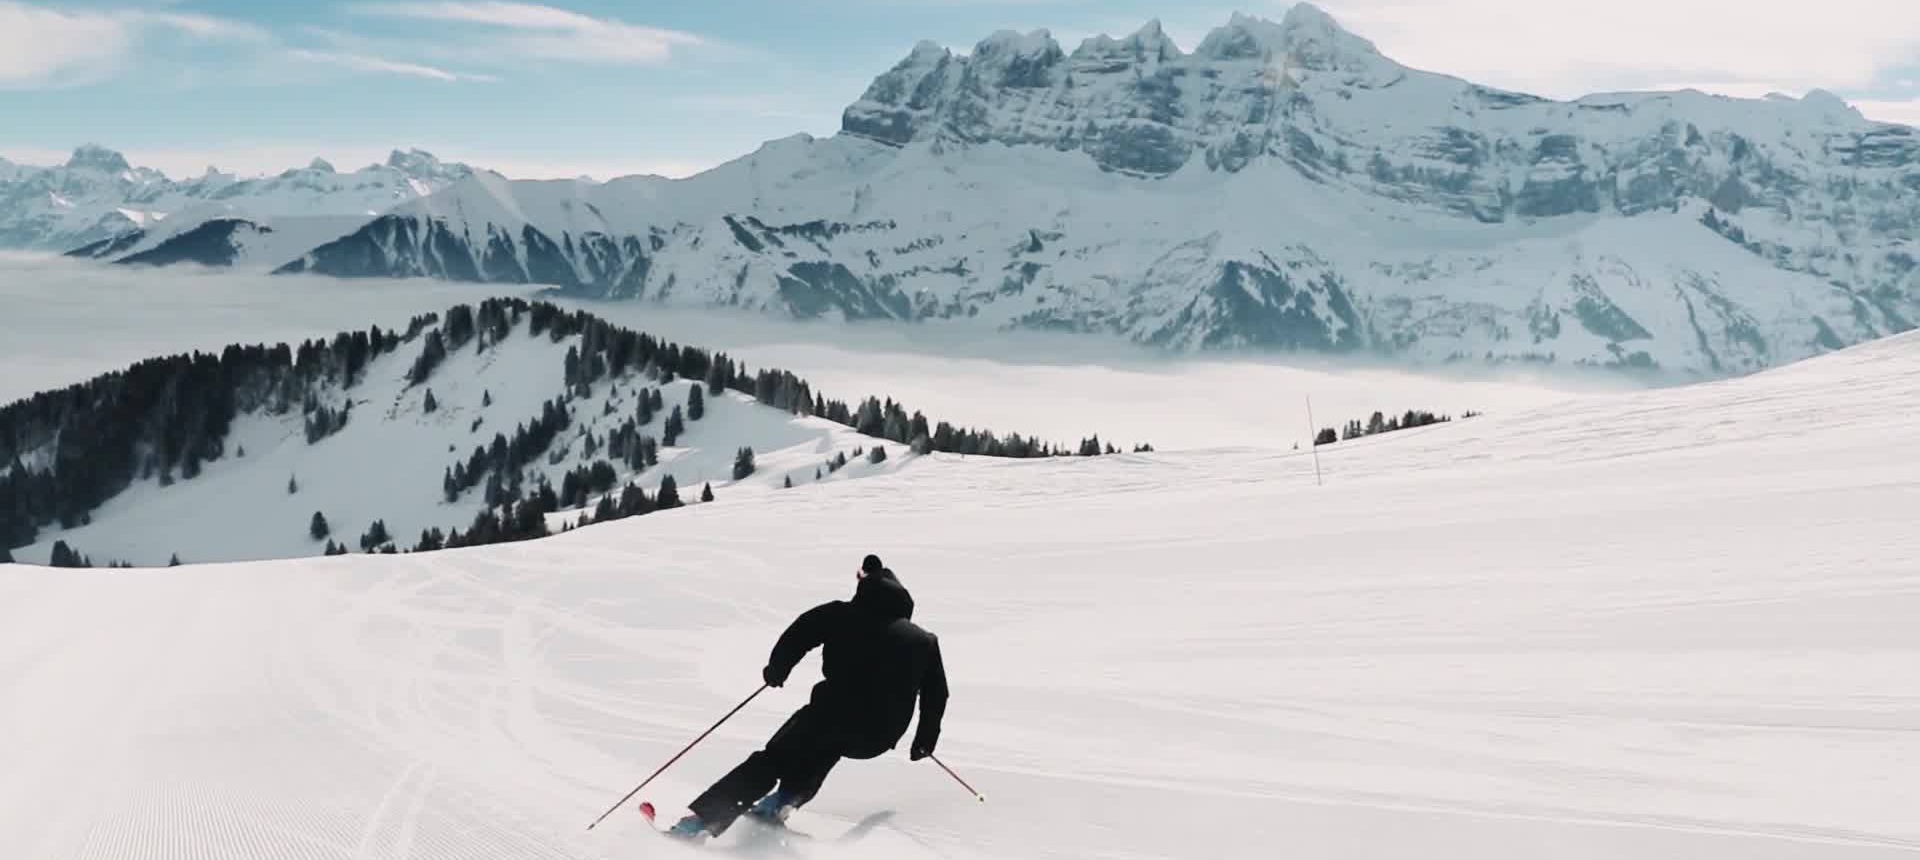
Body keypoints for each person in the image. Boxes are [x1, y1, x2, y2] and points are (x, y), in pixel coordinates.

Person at [667, 554, 949, 839]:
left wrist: (778, 669)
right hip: (878, 736)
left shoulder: (841, 613)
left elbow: (801, 631)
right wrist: (924, 741)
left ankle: (700, 823)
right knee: (826, 749)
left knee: (774, 758)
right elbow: (936, 694)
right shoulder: (923, 640)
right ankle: (782, 802)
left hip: (831, 714)